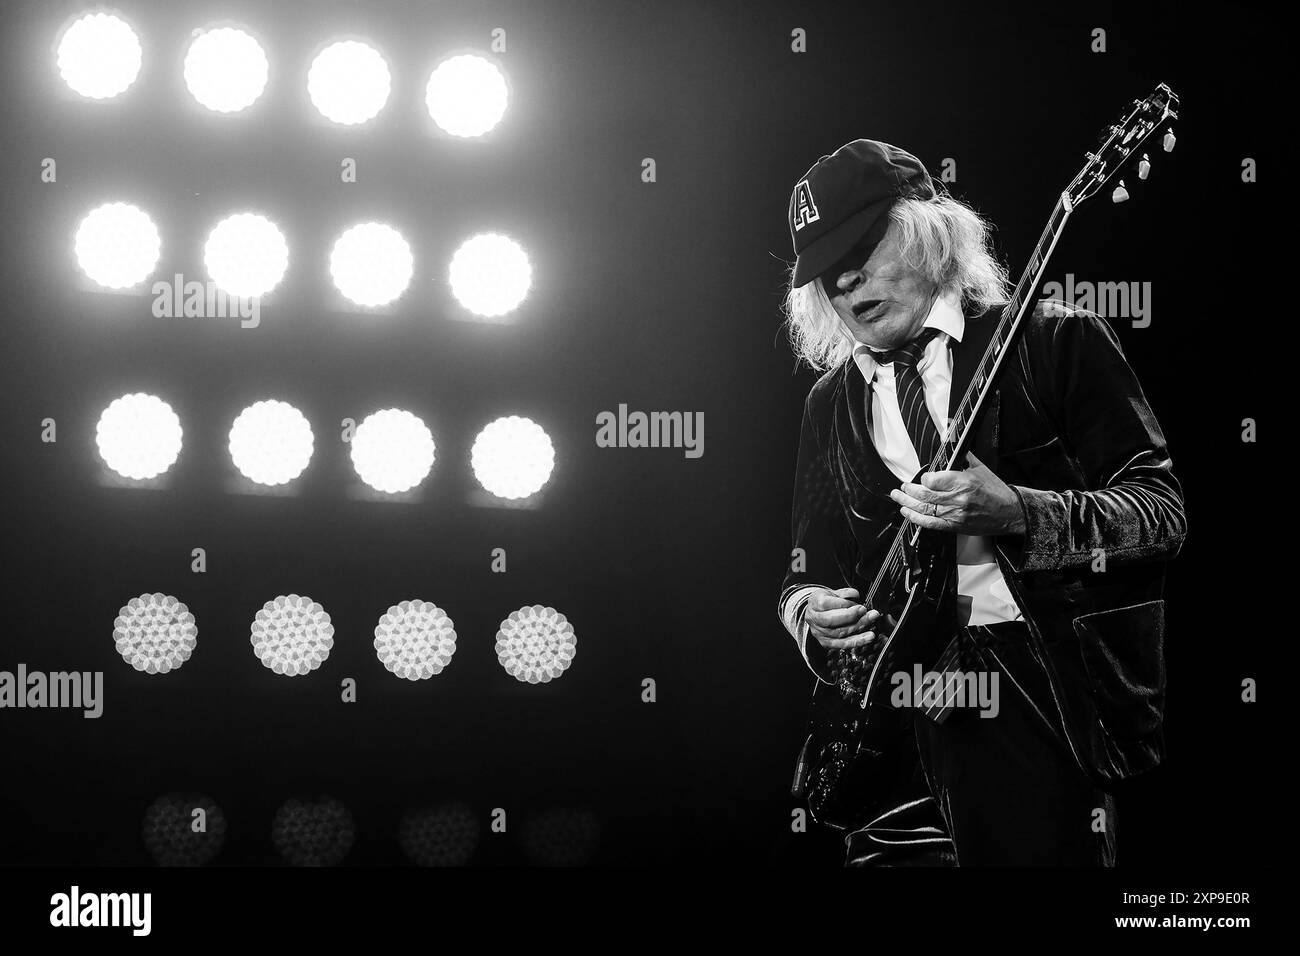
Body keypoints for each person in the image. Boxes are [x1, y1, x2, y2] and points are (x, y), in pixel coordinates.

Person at [778, 139, 1186, 865]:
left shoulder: (1052, 340)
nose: (845, 281)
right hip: (888, 728)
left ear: (927, 232)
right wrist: (809, 611)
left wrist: (1022, 513)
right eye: (826, 273)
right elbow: (806, 567)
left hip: (1028, 701)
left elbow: (1160, 514)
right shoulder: (829, 404)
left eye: (864, 248)